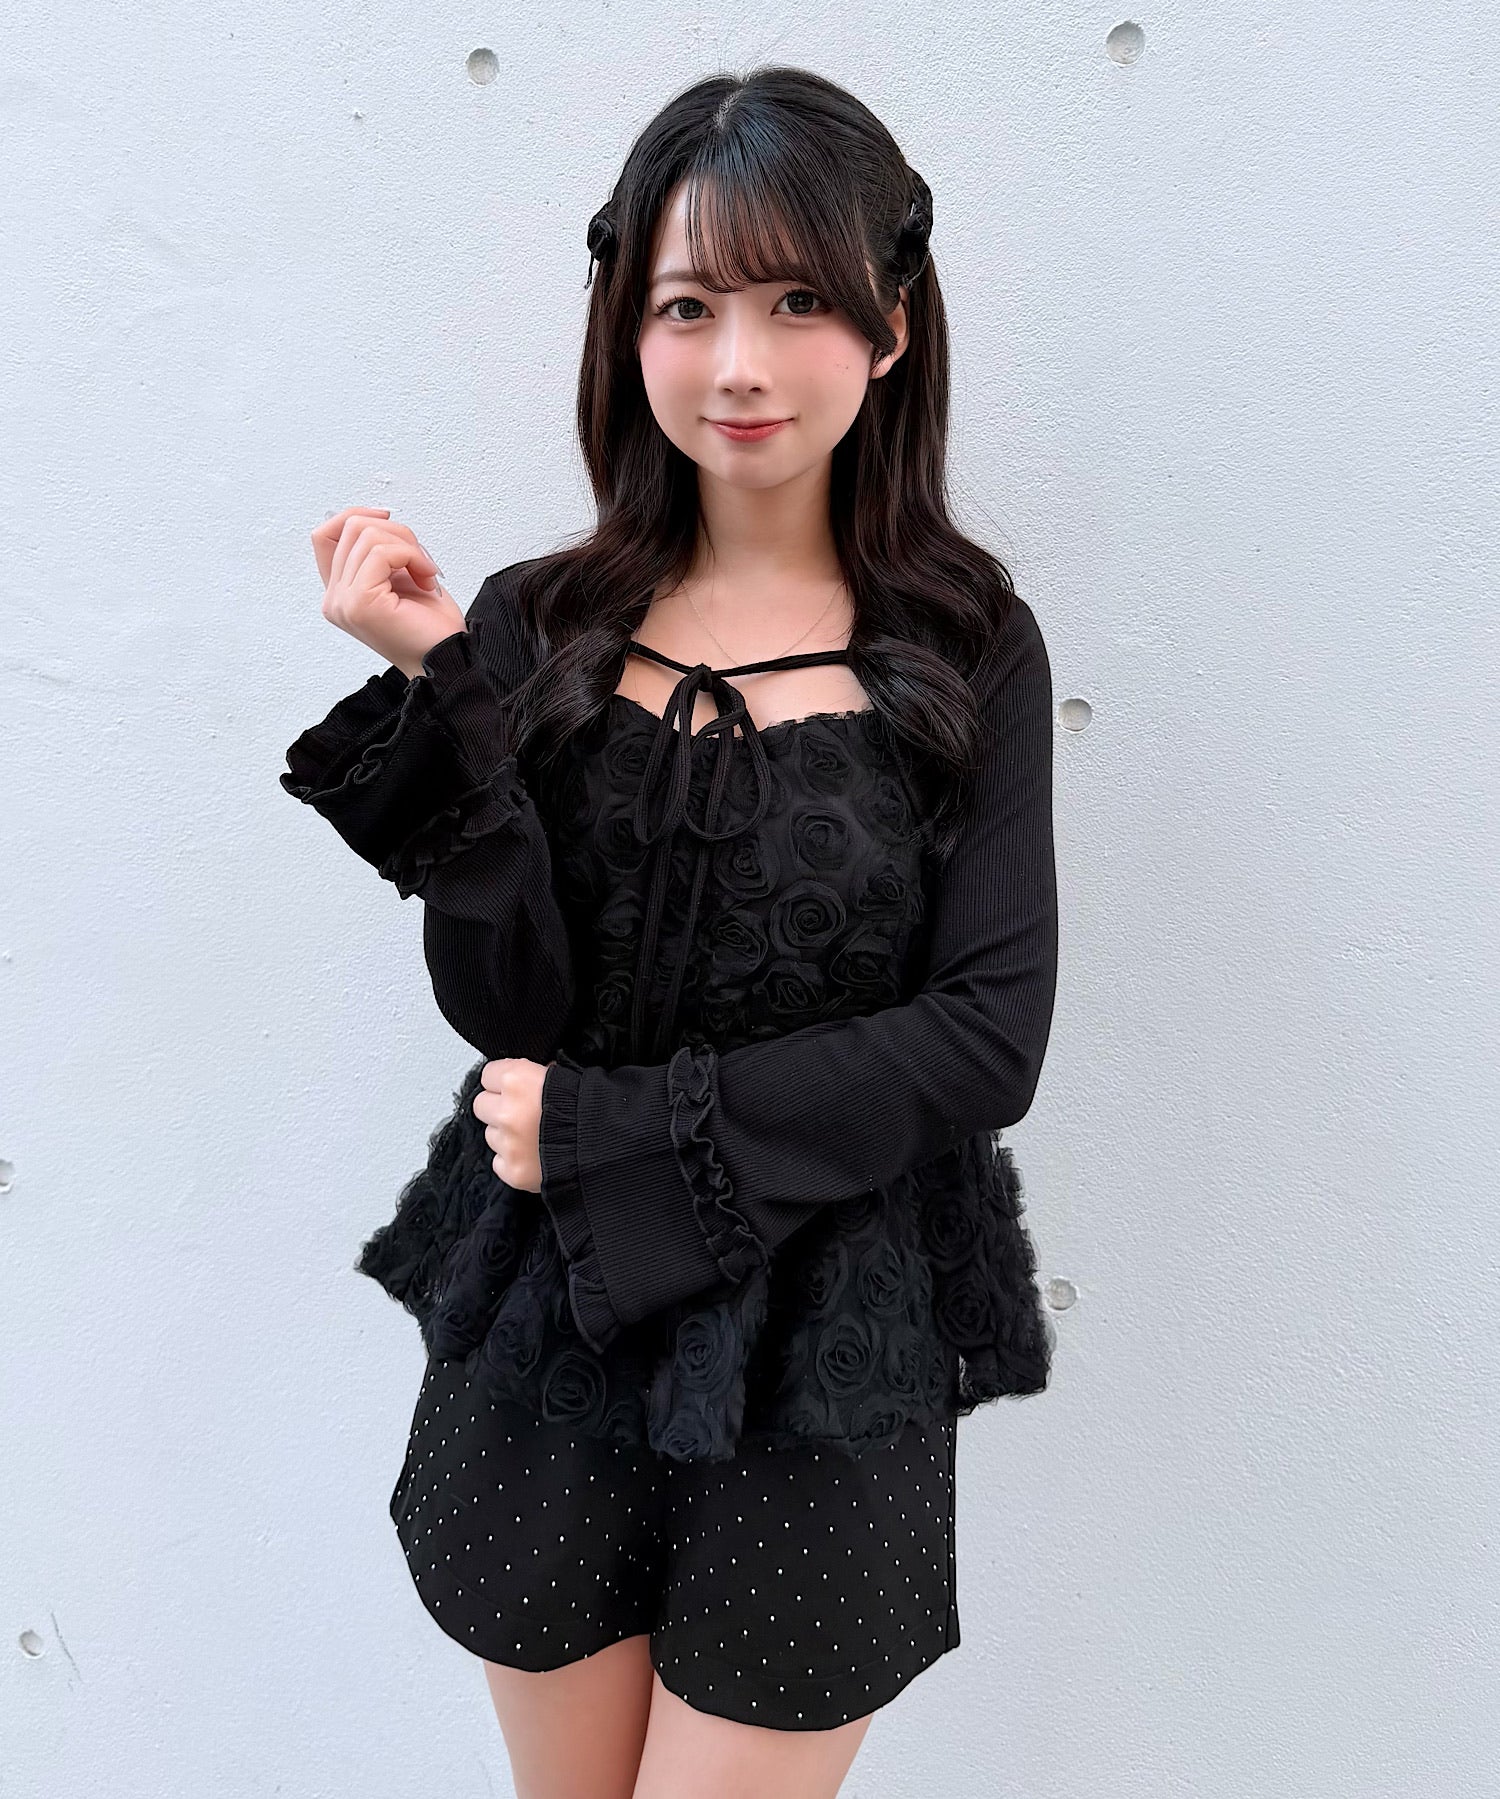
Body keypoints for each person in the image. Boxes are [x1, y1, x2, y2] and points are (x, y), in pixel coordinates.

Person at [281, 64, 1059, 1799]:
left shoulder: (966, 646)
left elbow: (986, 1038)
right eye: (688, 306)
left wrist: (615, 1128)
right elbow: (509, 1003)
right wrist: (448, 685)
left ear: (891, 323)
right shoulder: (539, 623)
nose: (740, 365)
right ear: (627, 326)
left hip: (828, 1343)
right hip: (560, 1324)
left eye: (796, 303)